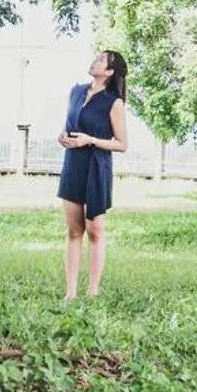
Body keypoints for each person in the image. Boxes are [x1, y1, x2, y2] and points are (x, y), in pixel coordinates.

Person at [56, 49, 129, 299]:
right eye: (96, 57)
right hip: (73, 163)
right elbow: (68, 126)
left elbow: (122, 144)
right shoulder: (75, 91)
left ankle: (92, 292)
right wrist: (63, 138)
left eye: (101, 60)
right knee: (74, 230)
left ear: (109, 72)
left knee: (95, 230)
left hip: (97, 166)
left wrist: (90, 140)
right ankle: (70, 293)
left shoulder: (114, 102)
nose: (94, 61)